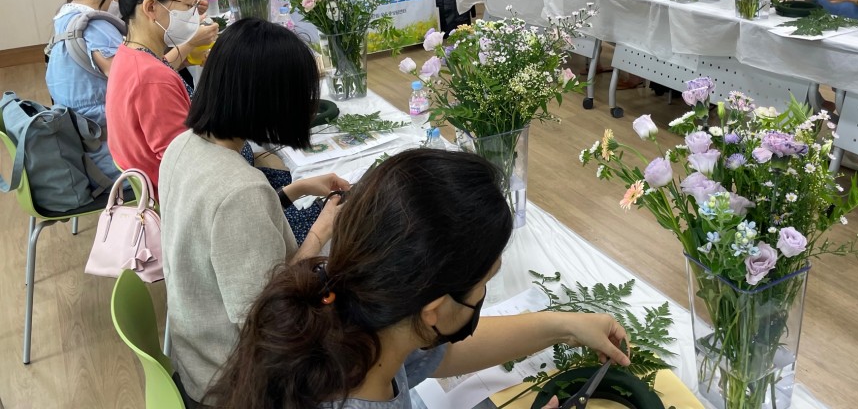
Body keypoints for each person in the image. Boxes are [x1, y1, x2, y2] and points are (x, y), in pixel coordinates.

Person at [204, 148, 630, 409]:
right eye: (484, 283)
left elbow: (438, 357)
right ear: (434, 311)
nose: (484, 294)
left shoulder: (359, 320)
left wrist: (564, 324)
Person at [161, 18, 349, 407]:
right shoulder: (240, 189)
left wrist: (293, 190)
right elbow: (270, 314)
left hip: (194, 349)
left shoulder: (183, 145)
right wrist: (322, 229)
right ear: (269, 99)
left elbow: (218, 231)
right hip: (231, 378)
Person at [105, 0, 219, 193]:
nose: (194, 14)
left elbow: (162, 64)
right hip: (188, 199)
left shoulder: (130, 54)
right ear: (151, 7)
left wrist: (186, 51)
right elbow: (188, 164)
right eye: (188, 5)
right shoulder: (151, 80)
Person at [44, 0, 130, 180]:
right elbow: (136, 83)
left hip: (80, 153)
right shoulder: (96, 27)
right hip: (111, 161)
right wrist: (185, 48)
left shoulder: (64, 20)